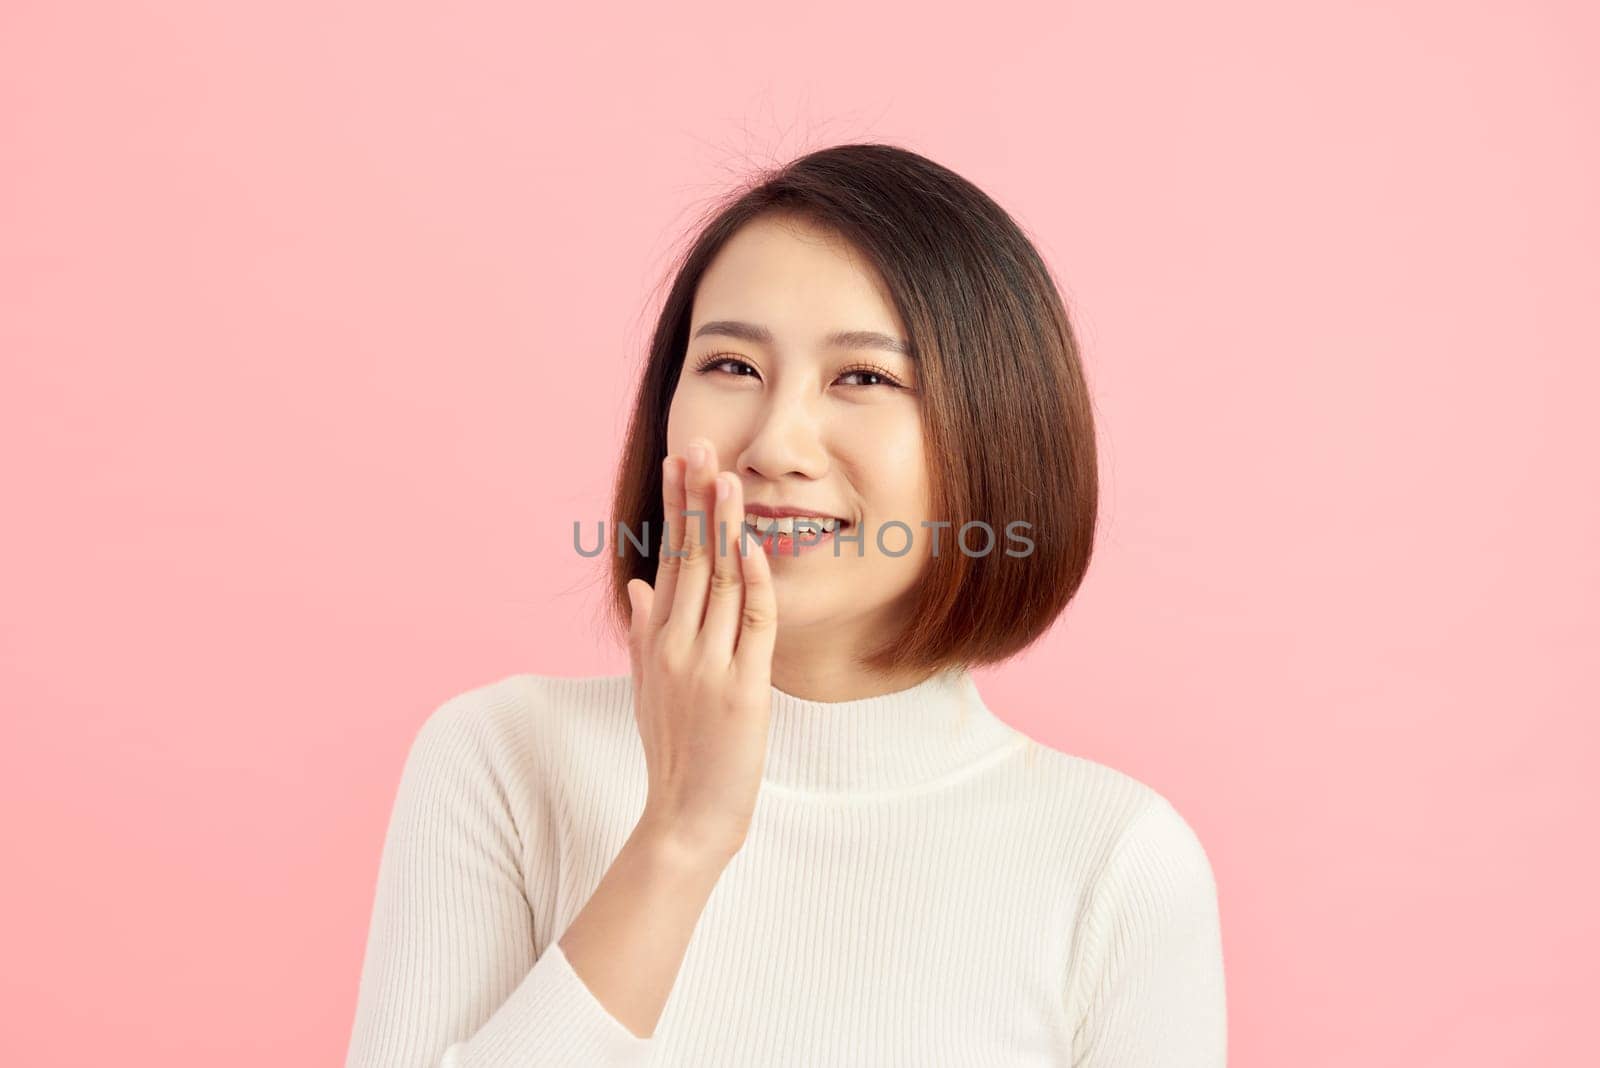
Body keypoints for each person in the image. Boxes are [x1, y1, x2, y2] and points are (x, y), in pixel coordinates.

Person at [344, 143, 1227, 1066]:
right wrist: (680, 837)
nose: (775, 444)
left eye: (865, 378)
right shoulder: (504, 759)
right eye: (731, 365)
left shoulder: (1117, 864)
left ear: (1000, 431)